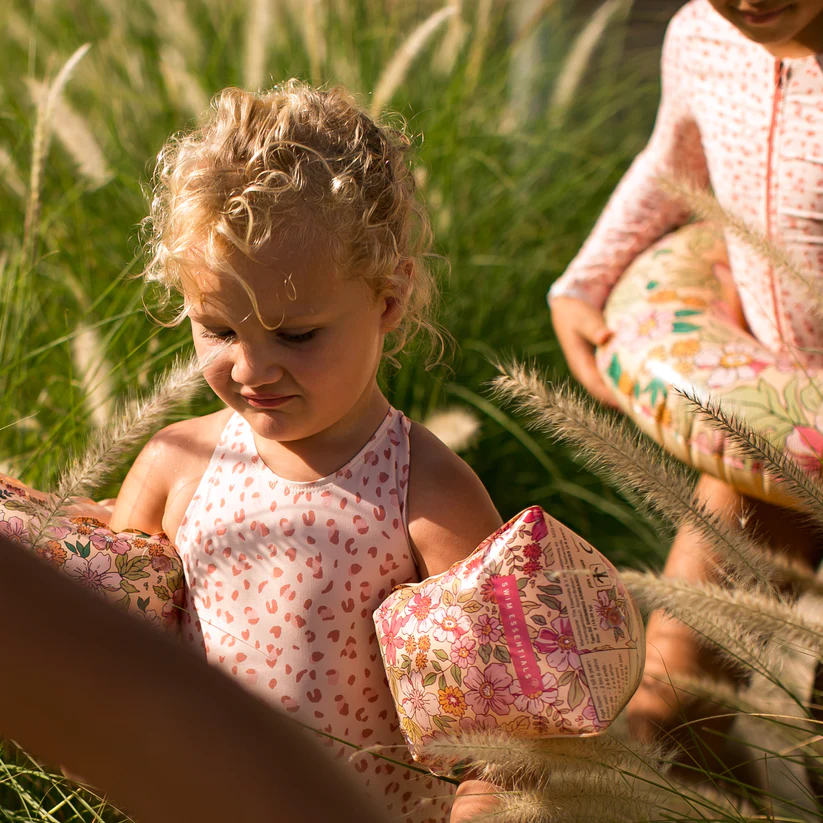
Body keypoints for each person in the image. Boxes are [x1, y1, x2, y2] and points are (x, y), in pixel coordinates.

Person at [108, 81, 502, 822]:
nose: (252, 370)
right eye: (220, 330)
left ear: (387, 298)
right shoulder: (176, 467)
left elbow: (501, 734)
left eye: (296, 335)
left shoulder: (426, 492)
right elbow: (115, 663)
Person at [548, 0, 823, 743]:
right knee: (667, 707)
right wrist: (582, 280)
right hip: (773, 437)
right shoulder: (703, 36)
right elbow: (671, 164)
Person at [0, 531, 390, 823]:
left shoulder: (421, 478)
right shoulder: (173, 465)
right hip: (188, 797)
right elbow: (118, 595)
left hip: (375, 803)